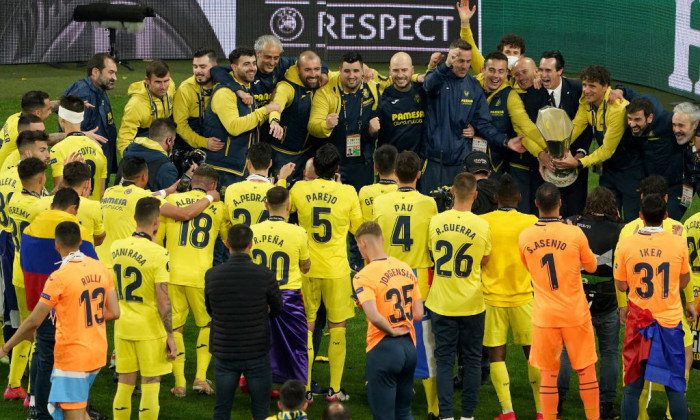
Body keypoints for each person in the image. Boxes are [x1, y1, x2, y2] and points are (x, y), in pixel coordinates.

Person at [0, 220, 119, 420]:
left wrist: (6, 347)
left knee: (72, 415)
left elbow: (33, 322)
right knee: (79, 411)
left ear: (56, 244)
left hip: (72, 357)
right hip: (97, 352)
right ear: (81, 242)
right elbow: (114, 311)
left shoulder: (58, 278)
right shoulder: (101, 268)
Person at [614, 175, 694, 420]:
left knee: (632, 388)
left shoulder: (627, 243)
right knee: (675, 388)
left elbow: (620, 283)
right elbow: (683, 281)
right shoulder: (678, 243)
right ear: (666, 214)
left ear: (640, 214)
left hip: (639, 322)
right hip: (669, 323)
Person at [518, 182, 600, 420]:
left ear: (536, 204)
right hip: (575, 314)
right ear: (560, 204)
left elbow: (529, 268)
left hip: (545, 317)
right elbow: (592, 266)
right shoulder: (574, 233)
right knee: (586, 371)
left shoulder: (525, 236)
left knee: (548, 375)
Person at [289, 144, 363, 401]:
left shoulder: (299, 189)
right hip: (337, 270)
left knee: (308, 326)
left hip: (307, 269)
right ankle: (334, 389)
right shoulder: (348, 192)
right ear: (337, 169)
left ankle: (306, 389)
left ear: (315, 168)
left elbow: (284, 210)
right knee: (338, 327)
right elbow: (358, 228)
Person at [21, 188, 98, 419]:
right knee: (72, 360)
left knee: (42, 355)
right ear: (74, 208)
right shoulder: (78, 230)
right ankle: (74, 408)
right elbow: (91, 268)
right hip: (68, 305)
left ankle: (37, 406)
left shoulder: (33, 224)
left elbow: (25, 260)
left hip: (38, 300)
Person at [373, 150, 439, 418]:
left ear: (395, 174)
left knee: (385, 336)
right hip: (418, 276)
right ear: (419, 175)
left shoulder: (380, 202)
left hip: (387, 275)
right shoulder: (429, 204)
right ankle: (433, 409)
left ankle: (385, 397)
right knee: (424, 344)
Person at [158, 166, 229, 397]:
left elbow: (157, 242)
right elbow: (229, 242)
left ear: (193, 182)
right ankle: (200, 377)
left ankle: (179, 382)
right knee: (207, 325)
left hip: (173, 274)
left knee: (175, 327)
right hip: (201, 276)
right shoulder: (218, 206)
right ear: (213, 187)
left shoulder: (173, 200)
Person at [421, 39, 525, 194]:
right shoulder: (439, 78)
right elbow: (428, 84)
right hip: (434, 162)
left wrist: (506, 141)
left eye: (468, 61)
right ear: (451, 59)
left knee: (461, 212)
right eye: (460, 61)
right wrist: (445, 66)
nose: (465, 66)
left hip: (462, 163)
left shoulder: (473, 86)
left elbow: (483, 123)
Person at [427, 172, 491, 420]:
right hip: (472, 303)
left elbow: (432, 253)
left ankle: (445, 415)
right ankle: (467, 416)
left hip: (441, 303)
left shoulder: (436, 221)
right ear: (475, 195)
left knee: (444, 361)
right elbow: (484, 259)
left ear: (452, 192)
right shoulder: (482, 225)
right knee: (473, 361)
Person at [557, 187, 624, 419]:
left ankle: (557, 402)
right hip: (607, 301)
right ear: (611, 206)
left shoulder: (572, 223)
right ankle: (605, 404)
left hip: (575, 299)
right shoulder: (620, 230)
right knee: (608, 353)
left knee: (565, 351)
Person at [205, 223, 282, 420]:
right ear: (251, 244)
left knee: (221, 410)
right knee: (261, 410)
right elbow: (278, 309)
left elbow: (211, 310)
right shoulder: (265, 275)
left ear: (227, 243)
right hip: (256, 351)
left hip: (225, 351)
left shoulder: (212, 275)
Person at [479, 174, 540, 420]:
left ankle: (507, 411)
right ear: (519, 198)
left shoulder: (483, 222)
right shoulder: (531, 221)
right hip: (524, 297)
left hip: (491, 298)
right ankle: (542, 411)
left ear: (495, 198)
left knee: (496, 355)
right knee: (533, 355)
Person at [112, 197, 176, 420]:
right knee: (150, 384)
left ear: (134, 218)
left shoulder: (116, 247)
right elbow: (163, 299)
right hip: (149, 330)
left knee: (124, 384)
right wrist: (171, 335)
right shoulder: (159, 253)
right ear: (157, 222)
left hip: (122, 326)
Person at [352, 221, 423, 420]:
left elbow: (375, 316)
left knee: (383, 416)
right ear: (382, 239)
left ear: (363, 244)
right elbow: (418, 313)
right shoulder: (405, 268)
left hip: (384, 348)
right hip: (409, 348)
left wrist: (391, 330)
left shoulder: (363, 275)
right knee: (404, 412)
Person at [96, 157, 219, 268]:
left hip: (100, 262)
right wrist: (209, 197)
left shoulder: (109, 191)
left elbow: (142, 195)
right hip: (121, 263)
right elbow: (184, 214)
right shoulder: (142, 197)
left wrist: (167, 191)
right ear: (144, 176)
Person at [554, 66, 640, 222]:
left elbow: (607, 149)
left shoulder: (617, 109)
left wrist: (579, 162)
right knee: (605, 218)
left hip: (630, 172)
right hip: (607, 171)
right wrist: (558, 147)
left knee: (631, 221)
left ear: (605, 86)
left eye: (592, 86)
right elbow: (575, 127)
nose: (586, 90)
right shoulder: (587, 103)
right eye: (585, 85)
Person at [251, 187, 311, 397]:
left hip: (258, 296)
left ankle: (254, 384)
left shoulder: (253, 230)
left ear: (266, 206)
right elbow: (306, 267)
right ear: (288, 206)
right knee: (296, 346)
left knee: (258, 344)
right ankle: (298, 392)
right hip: (288, 298)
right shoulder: (298, 232)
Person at [203, 47, 280, 187]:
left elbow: (251, 121)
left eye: (253, 63)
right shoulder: (225, 93)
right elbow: (234, 127)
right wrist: (265, 110)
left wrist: (271, 116)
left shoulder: (244, 90)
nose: (252, 68)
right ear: (233, 67)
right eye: (246, 64)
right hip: (223, 169)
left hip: (239, 167)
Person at [4, 158, 47, 401]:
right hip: (34, 274)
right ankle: (32, 392)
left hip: (17, 271)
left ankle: (13, 385)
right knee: (38, 333)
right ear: (41, 179)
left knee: (26, 328)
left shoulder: (15, 200)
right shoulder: (40, 207)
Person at [308, 51, 380, 192]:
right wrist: (326, 124)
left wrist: (372, 131)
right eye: (346, 71)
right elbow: (312, 126)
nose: (351, 76)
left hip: (362, 165)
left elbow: (397, 78)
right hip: (334, 165)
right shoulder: (325, 93)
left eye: (355, 71)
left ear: (362, 71)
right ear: (340, 70)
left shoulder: (371, 87)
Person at [535, 50, 592, 218]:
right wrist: (541, 155)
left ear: (560, 71)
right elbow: (529, 128)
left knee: (575, 216)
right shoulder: (534, 91)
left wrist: (580, 154)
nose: (543, 75)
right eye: (541, 70)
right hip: (546, 168)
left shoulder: (577, 90)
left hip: (574, 166)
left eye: (548, 70)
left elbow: (588, 125)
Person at [266, 50, 324, 180]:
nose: (313, 74)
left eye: (317, 69)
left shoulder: (319, 81)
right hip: (283, 155)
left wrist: (366, 69)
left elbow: (342, 74)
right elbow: (277, 104)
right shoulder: (287, 87)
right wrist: (274, 121)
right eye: (307, 70)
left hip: (308, 153)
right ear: (297, 69)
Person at [63, 53, 119, 177]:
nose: (115, 77)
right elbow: (67, 128)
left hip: (98, 162)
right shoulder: (83, 93)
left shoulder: (99, 90)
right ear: (95, 72)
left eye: (115, 73)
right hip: (85, 166)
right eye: (110, 72)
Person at [49, 95, 108, 200]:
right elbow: (101, 194)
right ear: (81, 118)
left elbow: (59, 193)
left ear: (61, 119)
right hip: (94, 212)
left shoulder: (58, 149)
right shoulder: (97, 148)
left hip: (72, 212)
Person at [36, 161, 105, 245]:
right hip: (81, 255)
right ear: (87, 183)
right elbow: (99, 238)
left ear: (63, 181)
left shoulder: (41, 202)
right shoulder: (93, 206)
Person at [224, 142, 293, 226]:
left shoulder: (231, 189)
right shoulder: (275, 192)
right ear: (270, 163)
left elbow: (225, 224)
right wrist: (282, 180)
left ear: (249, 164)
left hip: (238, 238)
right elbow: (283, 218)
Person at [117, 60, 176, 155]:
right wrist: (128, 160)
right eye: (158, 82)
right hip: (145, 143)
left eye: (166, 81)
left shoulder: (171, 86)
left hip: (166, 136)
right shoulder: (135, 105)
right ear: (147, 81)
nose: (163, 87)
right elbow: (125, 138)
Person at [173, 48, 224, 152]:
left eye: (203, 67)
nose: (198, 71)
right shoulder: (185, 89)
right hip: (189, 147)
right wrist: (204, 142)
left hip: (218, 143)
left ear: (215, 66)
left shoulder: (223, 85)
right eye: (195, 67)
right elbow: (180, 126)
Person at [377, 52, 426, 154]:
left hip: (418, 163)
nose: (400, 75)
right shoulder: (383, 98)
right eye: (395, 70)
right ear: (390, 70)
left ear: (412, 70)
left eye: (404, 70)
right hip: (391, 164)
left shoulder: (423, 92)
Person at [121, 118, 187, 191]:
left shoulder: (128, 153)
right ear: (169, 140)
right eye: (173, 141)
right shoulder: (166, 168)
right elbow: (172, 197)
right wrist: (186, 179)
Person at [358, 144, 398, 222]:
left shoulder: (364, 191)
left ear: (375, 168)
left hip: (369, 233)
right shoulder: (402, 193)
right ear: (396, 167)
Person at [671, 102, 700, 205]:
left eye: (681, 125)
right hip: (688, 182)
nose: (676, 130)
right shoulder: (684, 136)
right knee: (673, 214)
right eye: (674, 125)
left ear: (695, 125)